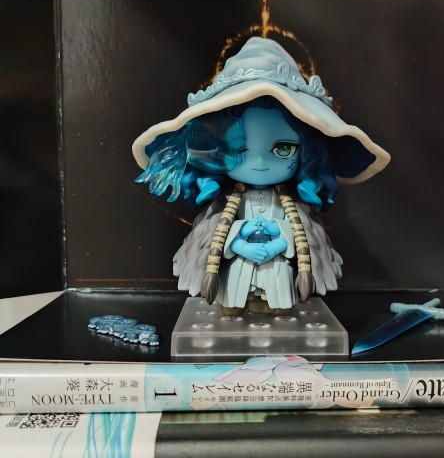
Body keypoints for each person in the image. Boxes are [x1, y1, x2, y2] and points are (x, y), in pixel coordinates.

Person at [132, 37, 390, 313]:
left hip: (277, 264)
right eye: (239, 148)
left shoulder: (291, 204)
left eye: (283, 149)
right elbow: (213, 238)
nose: (259, 162)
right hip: (238, 264)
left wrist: (279, 240)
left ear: (308, 152)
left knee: (277, 295)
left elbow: (302, 237)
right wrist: (239, 241)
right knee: (233, 296)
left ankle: (273, 307)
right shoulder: (224, 204)